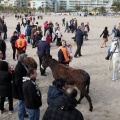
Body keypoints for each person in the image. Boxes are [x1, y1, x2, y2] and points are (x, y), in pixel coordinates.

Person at [13, 53, 28, 120]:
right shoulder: (19, 68)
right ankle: (21, 118)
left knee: (23, 102)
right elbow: (18, 82)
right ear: (23, 60)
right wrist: (26, 80)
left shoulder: (23, 65)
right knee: (21, 104)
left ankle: (24, 114)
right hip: (21, 89)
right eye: (26, 58)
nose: (27, 59)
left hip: (24, 87)